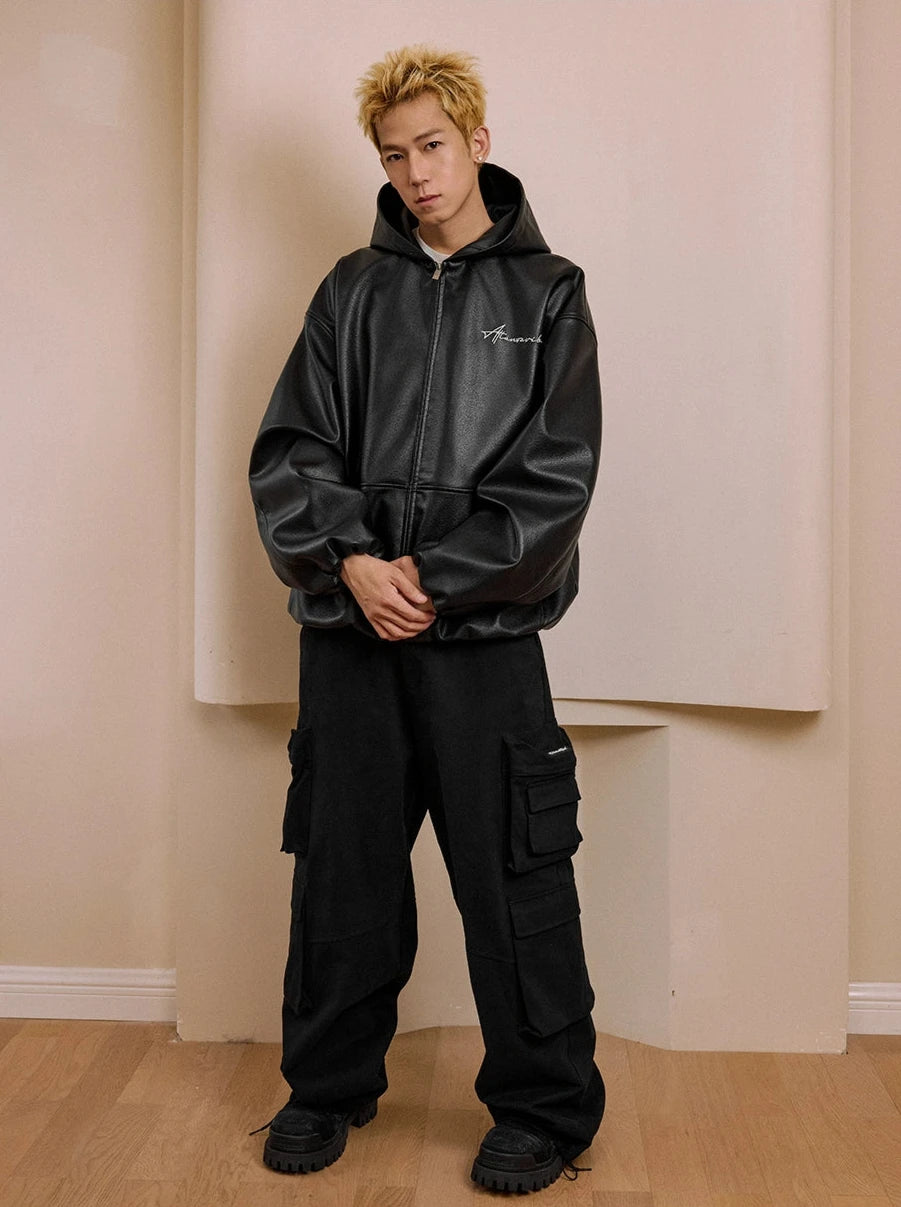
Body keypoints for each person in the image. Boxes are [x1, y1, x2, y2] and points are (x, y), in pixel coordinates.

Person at [247, 44, 605, 1195]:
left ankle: (543, 1110)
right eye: (395, 155)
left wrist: (435, 579)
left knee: (515, 874)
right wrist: (352, 562)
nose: (416, 173)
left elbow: (555, 482)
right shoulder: (350, 291)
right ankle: (325, 1088)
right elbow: (290, 451)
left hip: (484, 644)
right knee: (340, 872)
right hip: (350, 634)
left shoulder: (548, 294)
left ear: (477, 141)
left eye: (433, 146)